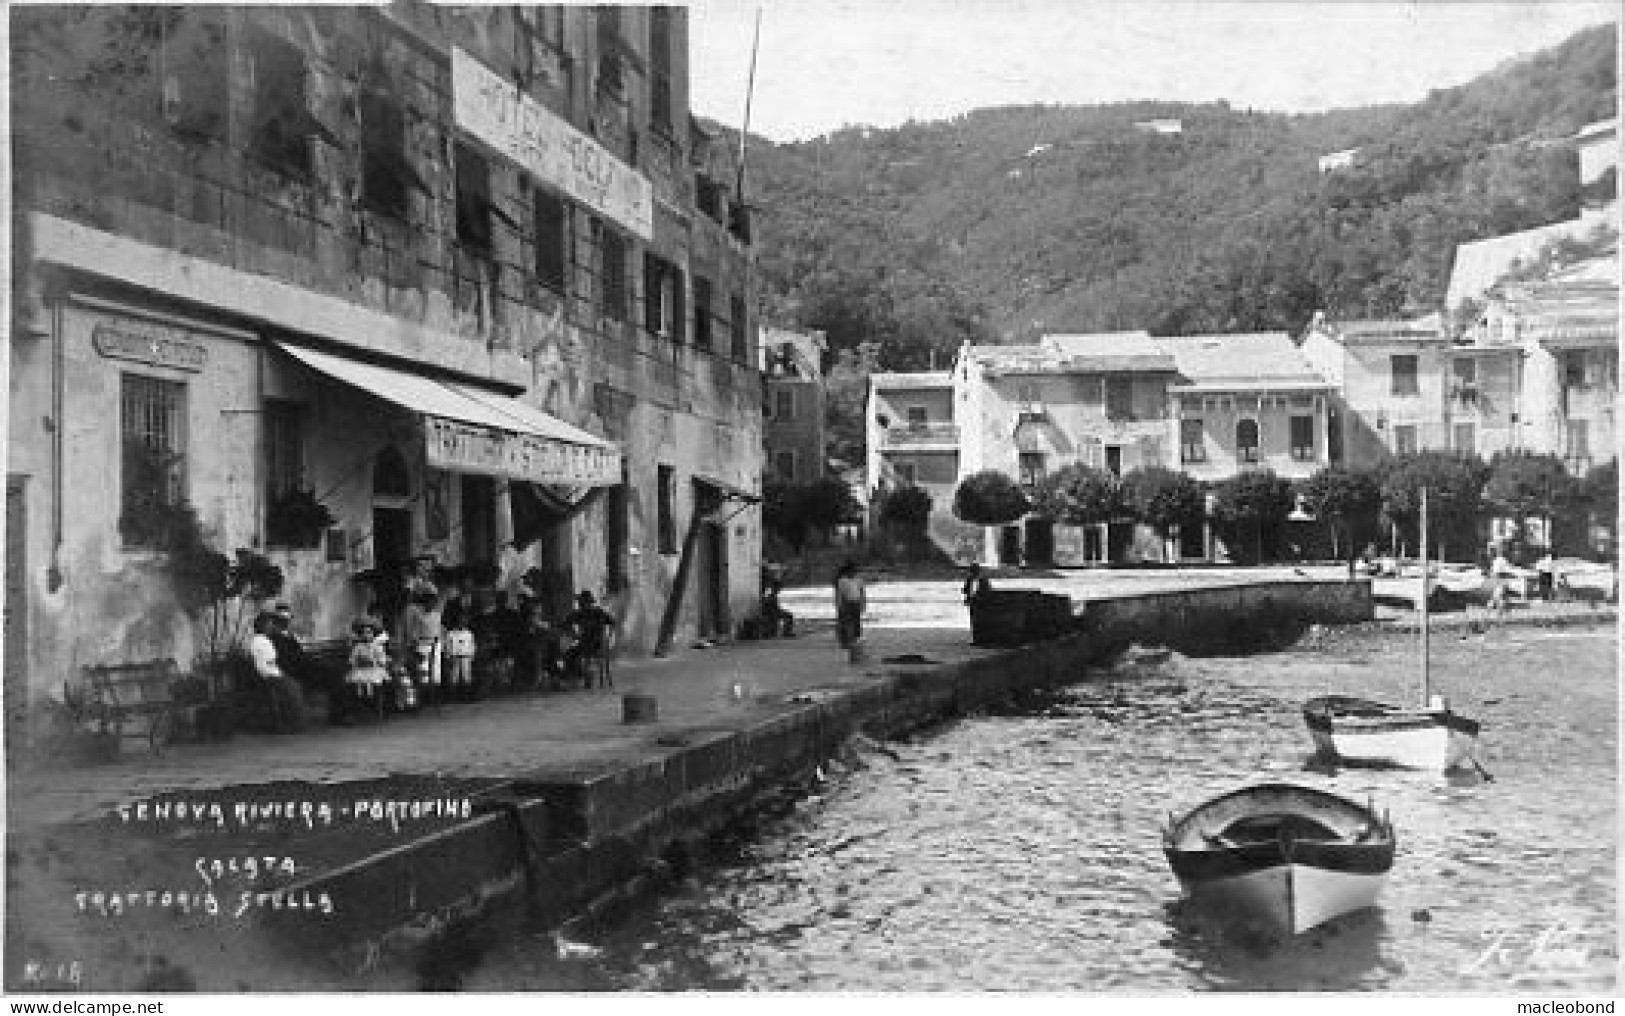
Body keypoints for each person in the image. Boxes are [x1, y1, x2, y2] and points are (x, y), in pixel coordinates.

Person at [248, 610, 306, 733]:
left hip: (273, 673)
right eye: (269, 624)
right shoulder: (261, 640)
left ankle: (293, 723)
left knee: (294, 688)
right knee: (293, 690)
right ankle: (292, 724)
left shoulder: (263, 639)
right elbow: (270, 660)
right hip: (270, 676)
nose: (272, 626)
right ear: (263, 626)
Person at [563, 591, 617, 687]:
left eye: (582, 602)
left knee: (574, 652)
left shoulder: (599, 612)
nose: (581, 605)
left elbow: (613, 622)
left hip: (597, 644)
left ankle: (584, 675)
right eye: (580, 603)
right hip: (585, 643)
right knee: (569, 653)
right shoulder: (579, 613)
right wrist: (574, 634)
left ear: (588, 603)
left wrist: (608, 638)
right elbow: (566, 622)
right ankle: (579, 676)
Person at [341, 616, 390, 722]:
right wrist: (357, 662)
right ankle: (358, 710)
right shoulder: (358, 647)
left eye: (369, 632)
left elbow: (382, 660)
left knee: (377, 684)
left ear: (373, 634)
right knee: (353, 683)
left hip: (374, 670)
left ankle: (378, 710)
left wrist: (375, 661)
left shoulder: (377, 646)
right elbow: (352, 660)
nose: (366, 635)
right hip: (360, 671)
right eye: (364, 633)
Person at [834, 562, 867, 662]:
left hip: (856, 602)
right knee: (846, 623)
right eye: (852, 571)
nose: (854, 572)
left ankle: (856, 642)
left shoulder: (859, 580)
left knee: (856, 623)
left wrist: (863, 604)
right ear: (847, 571)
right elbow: (839, 594)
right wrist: (839, 606)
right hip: (847, 603)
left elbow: (862, 593)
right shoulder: (842, 581)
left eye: (855, 571)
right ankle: (846, 642)